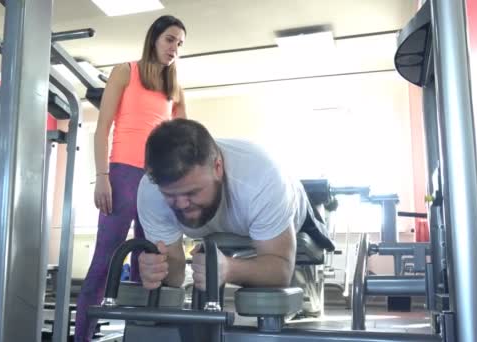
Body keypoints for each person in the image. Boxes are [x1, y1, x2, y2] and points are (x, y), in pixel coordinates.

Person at [137, 119, 333, 314]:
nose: (181, 204)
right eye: (170, 195)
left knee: (314, 234)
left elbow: (280, 269)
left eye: (192, 193)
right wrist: (158, 270)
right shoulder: (150, 192)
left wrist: (229, 269)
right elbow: (176, 275)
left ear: (218, 167)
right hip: (240, 216)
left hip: (295, 207)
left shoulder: (261, 177)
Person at [75, 15, 187, 342]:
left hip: (157, 181)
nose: (174, 49)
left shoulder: (175, 89)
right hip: (123, 174)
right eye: (170, 40)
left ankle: (138, 337)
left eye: (179, 44)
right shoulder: (126, 71)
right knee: (106, 260)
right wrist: (102, 176)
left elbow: (183, 140)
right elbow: (103, 127)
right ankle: (82, 337)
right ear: (154, 38)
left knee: (148, 266)